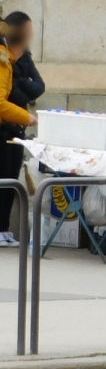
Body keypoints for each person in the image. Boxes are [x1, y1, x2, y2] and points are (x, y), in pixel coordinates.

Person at [0, 18, 38, 249]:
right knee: (5, 179)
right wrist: (27, 117)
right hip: (6, 127)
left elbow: (38, 84)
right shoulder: (3, 61)